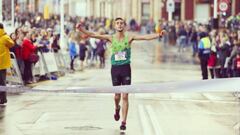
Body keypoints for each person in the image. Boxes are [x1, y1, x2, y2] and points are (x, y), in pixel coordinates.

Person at [76, 17, 165, 131]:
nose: (119, 25)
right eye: (117, 23)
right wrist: (81, 29)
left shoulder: (129, 38)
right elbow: (93, 35)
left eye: (121, 23)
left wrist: (159, 35)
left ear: (124, 26)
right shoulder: (111, 38)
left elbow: (145, 37)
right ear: (114, 26)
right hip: (115, 69)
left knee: (125, 95)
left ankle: (123, 122)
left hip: (126, 69)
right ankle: (117, 107)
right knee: (117, 96)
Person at [0, 23, 14, 104]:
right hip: (3, 63)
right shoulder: (5, 37)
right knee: (2, 82)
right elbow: (12, 44)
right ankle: (3, 99)